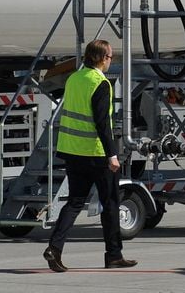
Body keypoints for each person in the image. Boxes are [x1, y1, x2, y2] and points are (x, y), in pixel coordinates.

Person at [43, 40, 137, 272]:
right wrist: (112, 154)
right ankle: (114, 255)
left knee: (74, 202)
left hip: (73, 150)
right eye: (109, 57)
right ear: (99, 58)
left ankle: (54, 247)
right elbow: (102, 123)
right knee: (111, 203)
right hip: (96, 153)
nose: (110, 61)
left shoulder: (74, 78)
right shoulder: (100, 83)